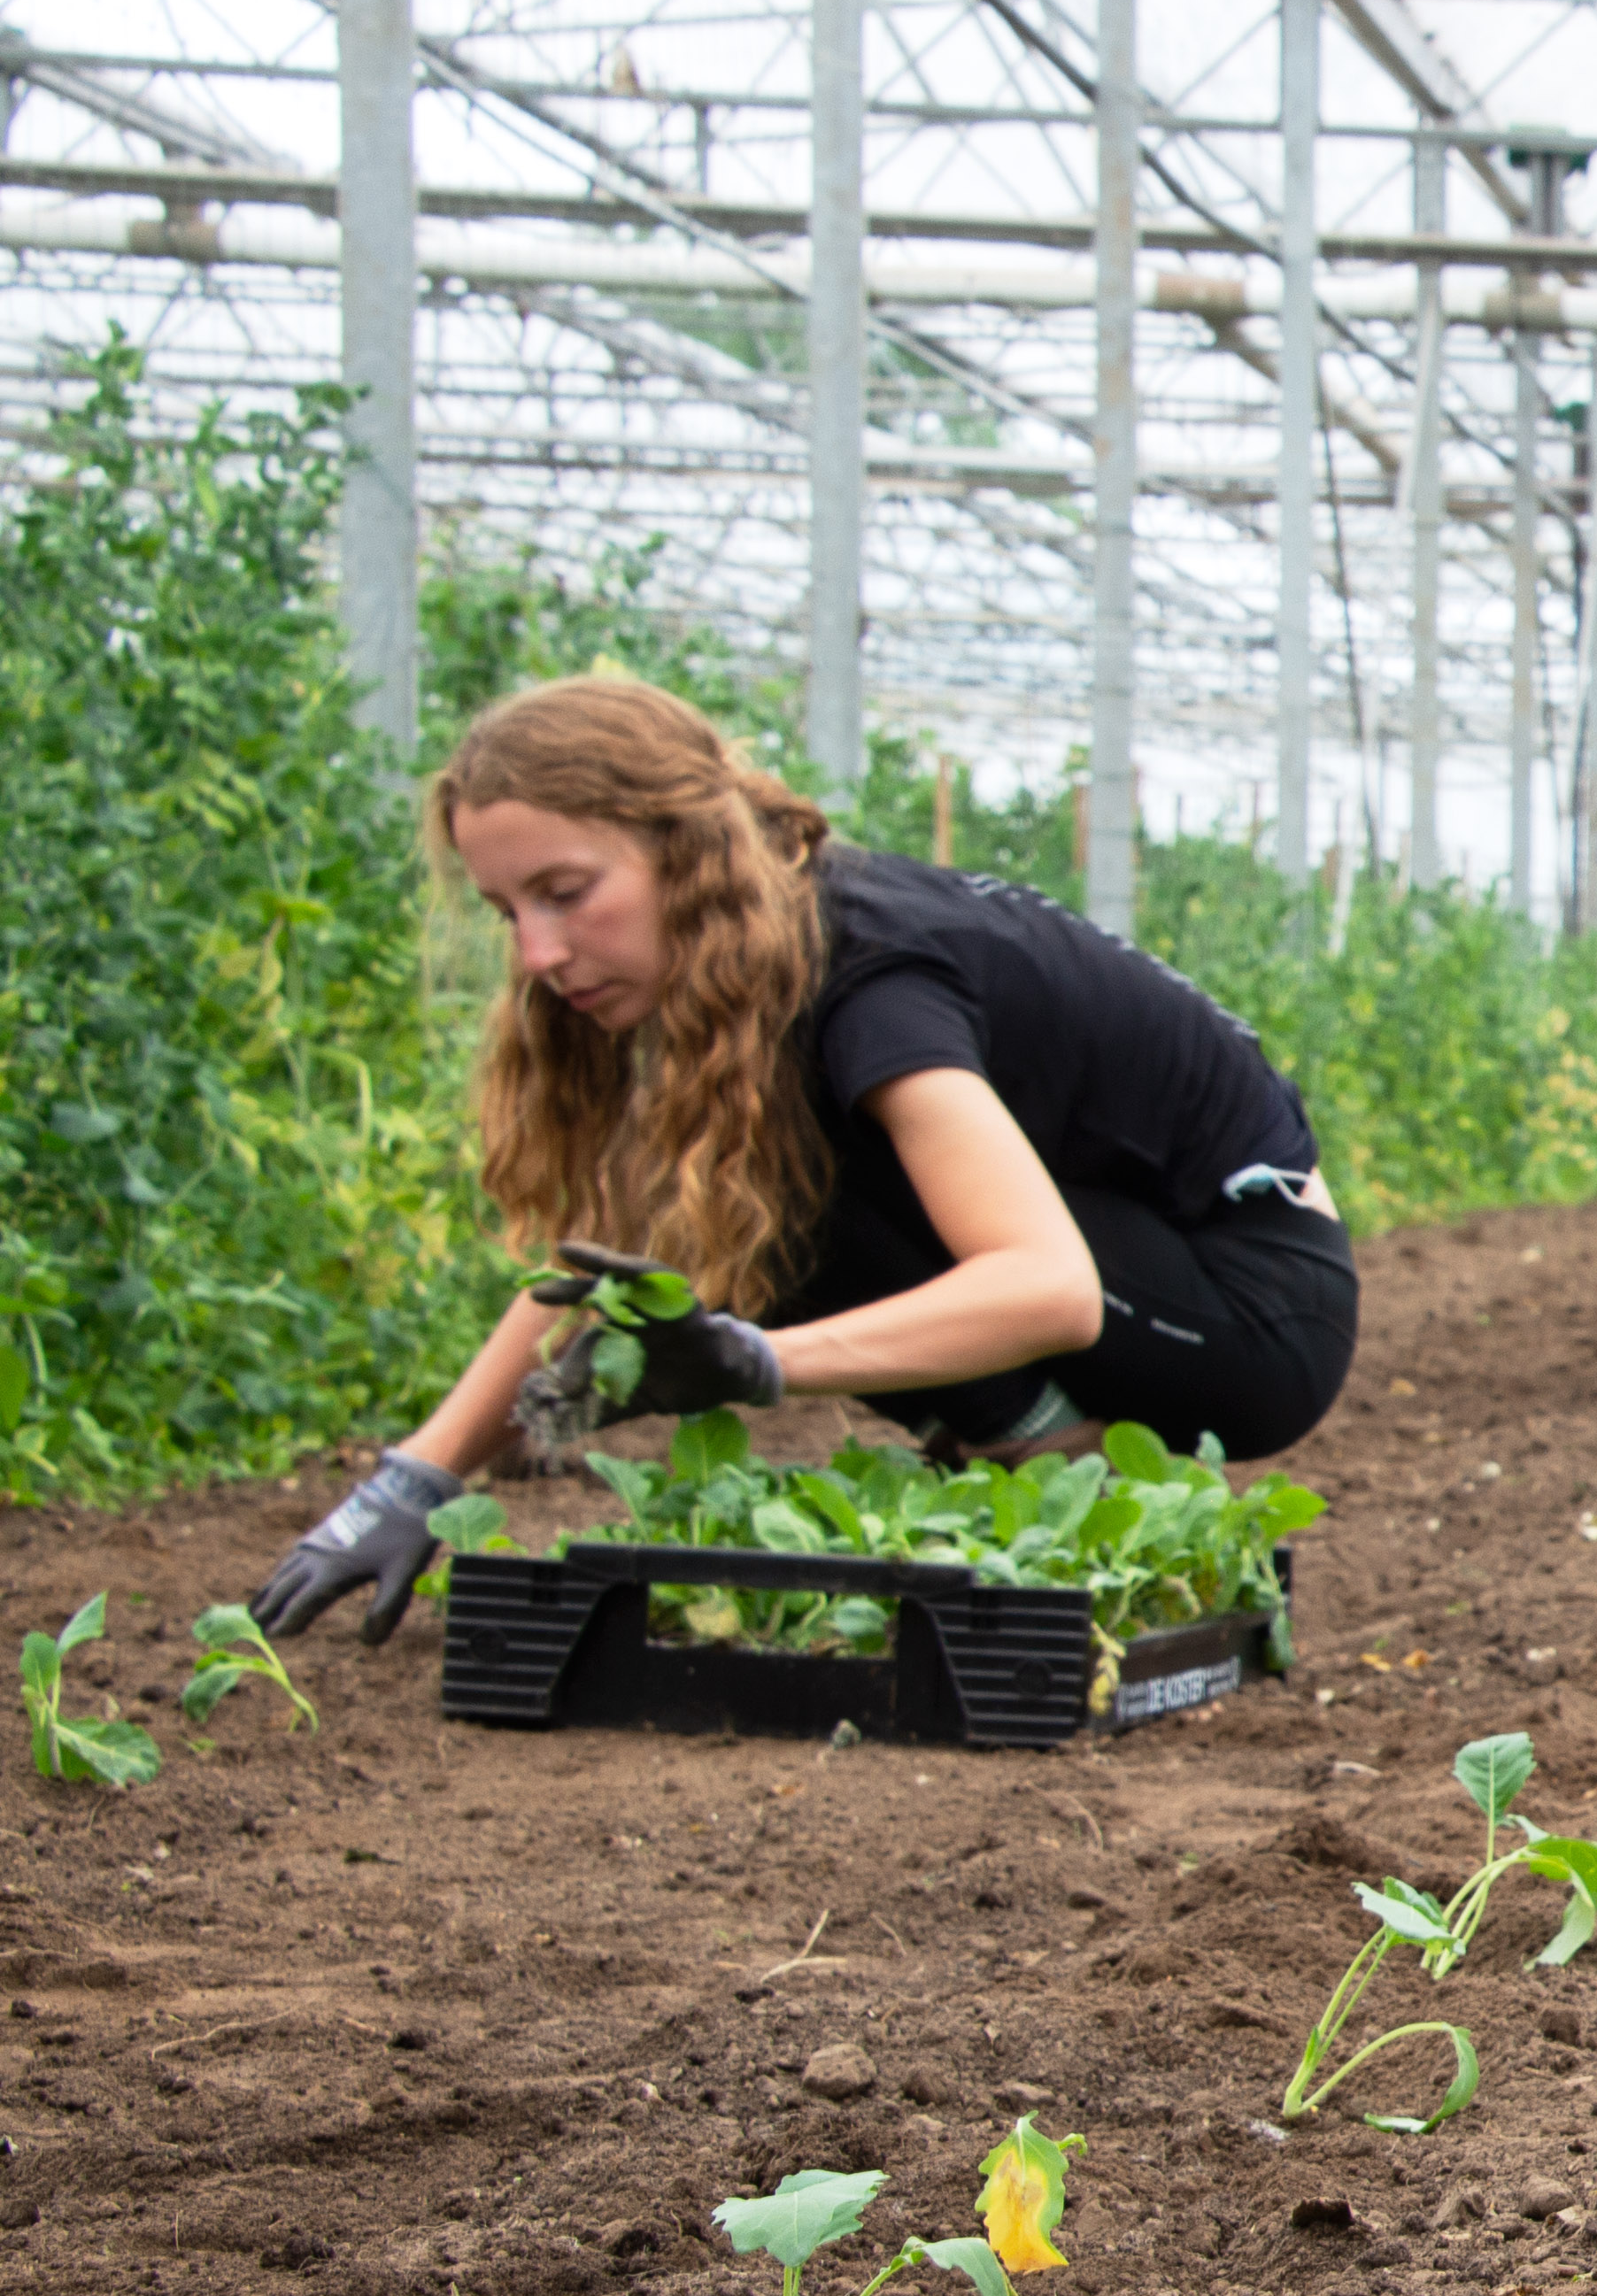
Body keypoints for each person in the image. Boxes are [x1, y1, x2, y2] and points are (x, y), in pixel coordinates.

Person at [251, 673, 1356, 1643]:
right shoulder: (756, 961)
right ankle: (1036, 1469)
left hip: (1251, 1312)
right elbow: (620, 1256)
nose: (539, 954)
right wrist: (411, 1482)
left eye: (567, 891)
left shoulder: (871, 980)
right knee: (730, 1180)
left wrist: (755, 1359)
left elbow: (1052, 1288)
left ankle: (1065, 1468)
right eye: (506, 911)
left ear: (683, 850)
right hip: (1143, 1264)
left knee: (789, 1188)